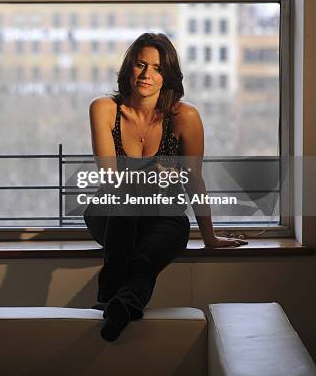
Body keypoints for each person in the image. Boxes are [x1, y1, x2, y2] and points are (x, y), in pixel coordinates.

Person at [83, 32, 247, 341]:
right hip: (110, 211)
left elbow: (193, 180)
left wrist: (209, 236)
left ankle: (120, 304)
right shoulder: (105, 109)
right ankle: (108, 297)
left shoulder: (184, 117)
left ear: (168, 75)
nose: (146, 75)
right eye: (140, 64)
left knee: (146, 259)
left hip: (163, 215)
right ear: (128, 68)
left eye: (157, 68)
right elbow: (110, 179)